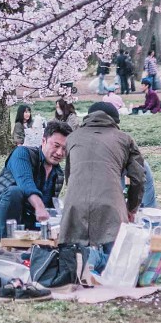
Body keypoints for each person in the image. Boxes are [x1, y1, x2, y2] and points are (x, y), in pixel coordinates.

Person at [59, 101, 148, 247]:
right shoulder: (124, 139)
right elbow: (138, 178)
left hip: (74, 208)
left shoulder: (72, 138)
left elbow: (69, 176)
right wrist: (131, 208)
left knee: (77, 263)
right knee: (111, 265)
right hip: (112, 208)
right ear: (114, 121)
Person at [0, 121, 67, 238]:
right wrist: (39, 207)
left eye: (64, 149)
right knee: (15, 192)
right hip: (0, 217)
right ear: (43, 141)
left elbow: (49, 207)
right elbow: (25, 183)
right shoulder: (22, 153)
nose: (60, 153)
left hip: (31, 222)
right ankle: (7, 245)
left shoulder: (58, 174)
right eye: (56, 146)